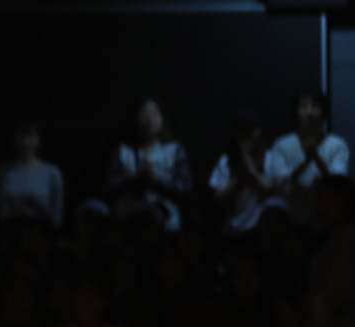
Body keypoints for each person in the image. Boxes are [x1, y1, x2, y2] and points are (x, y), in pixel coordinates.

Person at [297, 175, 355, 327]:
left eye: (333, 200)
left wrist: (312, 304)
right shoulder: (335, 237)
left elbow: (346, 289)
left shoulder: (347, 237)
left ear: (348, 204)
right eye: (321, 199)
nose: (325, 206)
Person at [106, 98, 193, 231]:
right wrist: (134, 178)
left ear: (162, 118)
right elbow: (109, 186)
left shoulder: (174, 150)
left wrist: (156, 180)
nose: (149, 119)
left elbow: (186, 188)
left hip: (166, 223)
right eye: (144, 113)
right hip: (126, 222)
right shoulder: (123, 150)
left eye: (154, 113)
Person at [265, 90, 349, 226]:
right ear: (296, 113)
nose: (309, 113)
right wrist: (306, 162)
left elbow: (340, 184)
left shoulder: (337, 145)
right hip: (291, 223)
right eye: (304, 107)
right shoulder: (282, 145)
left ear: (324, 113)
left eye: (315, 107)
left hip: (328, 224)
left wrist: (316, 158)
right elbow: (279, 185)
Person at [208, 113, 276, 237]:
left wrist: (247, 162)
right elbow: (218, 199)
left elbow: (270, 193)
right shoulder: (225, 161)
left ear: (259, 131)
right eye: (242, 130)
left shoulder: (272, 159)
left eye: (250, 130)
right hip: (233, 229)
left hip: (264, 230)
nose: (246, 134)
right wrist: (239, 178)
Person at [0, 120, 64, 228]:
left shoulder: (52, 173)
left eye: (30, 136)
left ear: (38, 139)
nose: (25, 142)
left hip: (41, 232)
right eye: (21, 136)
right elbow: (1, 207)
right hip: (11, 231)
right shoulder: (2, 172)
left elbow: (56, 210)